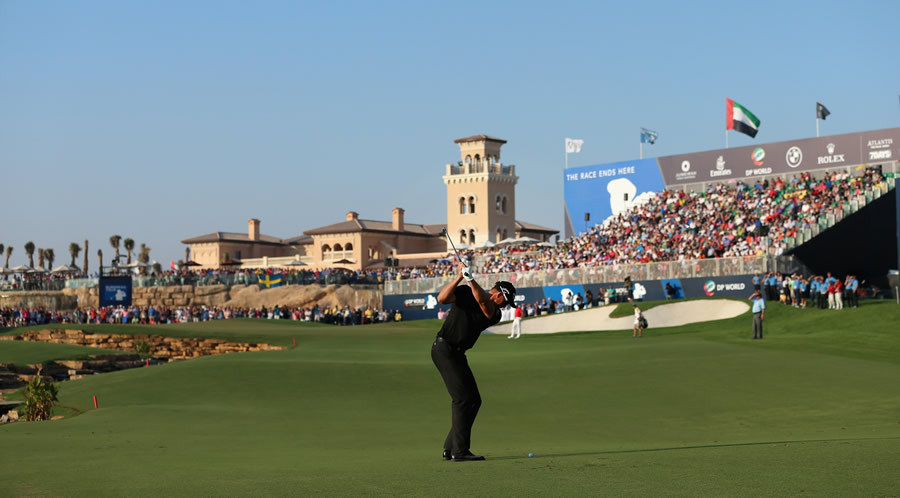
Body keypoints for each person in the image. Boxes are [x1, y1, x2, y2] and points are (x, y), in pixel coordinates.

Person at [432, 262, 516, 462]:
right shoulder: (465, 291)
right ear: (499, 294)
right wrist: (460, 277)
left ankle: (450, 447)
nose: (505, 306)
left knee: (474, 400)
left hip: (457, 353)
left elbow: (483, 303)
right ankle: (459, 452)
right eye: (506, 300)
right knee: (462, 399)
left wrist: (470, 279)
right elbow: (442, 298)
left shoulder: (494, 313)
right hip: (444, 349)